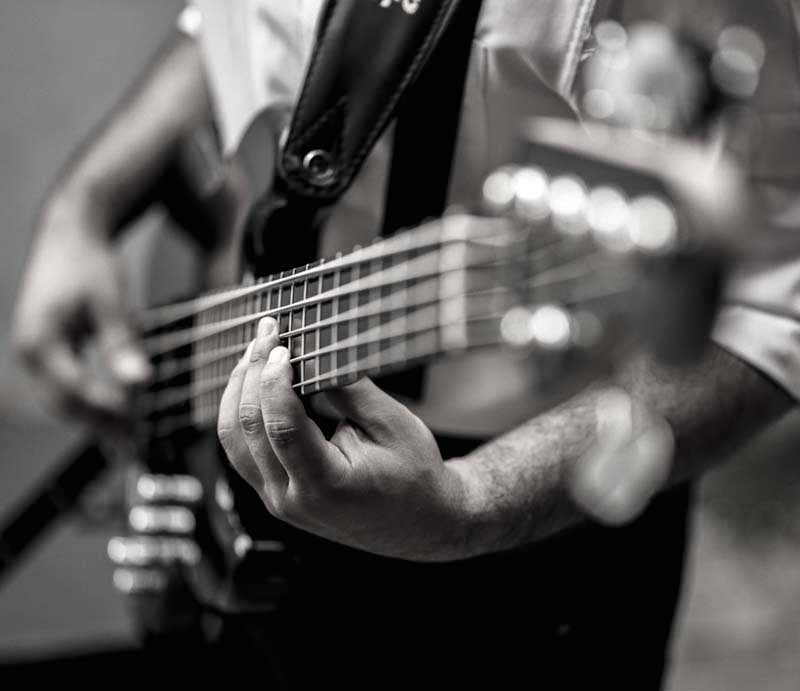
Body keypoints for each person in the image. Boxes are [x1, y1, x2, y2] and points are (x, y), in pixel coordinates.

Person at [11, 1, 800, 687]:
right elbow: (242, 27)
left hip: (522, 534)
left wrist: (471, 504)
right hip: (238, 439)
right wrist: (83, 204)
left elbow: (774, 308)